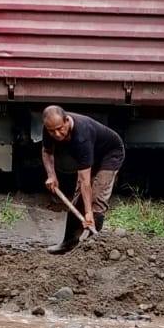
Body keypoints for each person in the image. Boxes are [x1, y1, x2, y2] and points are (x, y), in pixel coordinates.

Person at [40, 105, 125, 254]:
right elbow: (47, 151)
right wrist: (51, 175)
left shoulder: (82, 135)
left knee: (97, 199)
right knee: (77, 200)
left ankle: (92, 251)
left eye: (60, 129)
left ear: (67, 120)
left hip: (110, 154)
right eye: (52, 131)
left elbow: (85, 182)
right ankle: (68, 243)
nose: (57, 134)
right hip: (92, 154)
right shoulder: (49, 127)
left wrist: (88, 213)